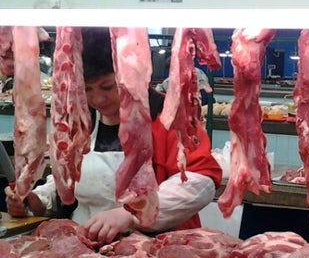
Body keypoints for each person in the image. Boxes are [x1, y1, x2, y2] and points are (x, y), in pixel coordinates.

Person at [5, 27, 222, 244]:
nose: (98, 99)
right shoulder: (82, 122)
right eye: (87, 90)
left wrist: (133, 214)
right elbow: (67, 183)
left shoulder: (169, 116)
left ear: (129, 76)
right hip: (86, 250)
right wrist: (36, 200)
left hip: (153, 249)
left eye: (107, 87)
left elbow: (200, 181)